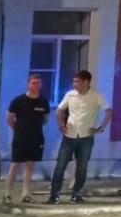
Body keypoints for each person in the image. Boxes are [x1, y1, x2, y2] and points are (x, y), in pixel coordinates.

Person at [48, 70, 112, 204]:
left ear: (86, 82)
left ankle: (76, 194)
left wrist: (100, 128)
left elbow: (108, 111)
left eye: (78, 81)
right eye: (74, 81)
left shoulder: (96, 95)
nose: (75, 84)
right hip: (69, 135)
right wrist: (61, 125)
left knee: (82, 166)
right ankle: (54, 195)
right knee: (60, 165)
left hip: (86, 136)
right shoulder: (70, 95)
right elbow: (59, 109)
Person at [3, 74, 49, 205]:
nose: (36, 86)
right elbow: (9, 118)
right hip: (20, 138)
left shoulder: (43, 102)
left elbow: (45, 119)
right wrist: (18, 129)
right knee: (15, 164)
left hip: (36, 137)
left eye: (39, 83)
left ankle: (25, 194)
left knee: (30, 165)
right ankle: (7, 194)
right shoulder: (19, 100)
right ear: (29, 84)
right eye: (34, 83)